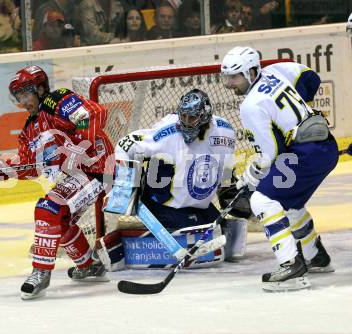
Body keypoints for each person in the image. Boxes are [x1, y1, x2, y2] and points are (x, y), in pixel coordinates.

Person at [0, 65, 115, 300]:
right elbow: (29, 167)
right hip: (80, 175)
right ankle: (89, 265)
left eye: (26, 94)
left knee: (47, 208)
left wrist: (80, 148)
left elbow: (94, 114)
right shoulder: (29, 129)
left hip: (100, 168)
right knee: (59, 218)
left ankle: (41, 272)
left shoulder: (58, 101)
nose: (23, 101)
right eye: (18, 97)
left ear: (40, 88)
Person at [221, 46, 338, 292]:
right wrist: (299, 116)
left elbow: (270, 155)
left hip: (305, 154)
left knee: (263, 201)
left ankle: (291, 266)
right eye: (227, 77)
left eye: (235, 76)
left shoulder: (251, 105)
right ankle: (315, 255)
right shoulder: (275, 72)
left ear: (252, 72)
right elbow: (310, 77)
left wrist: (248, 180)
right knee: (289, 202)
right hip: (325, 146)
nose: (230, 83)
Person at [112, 89, 249, 261]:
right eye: (182, 116)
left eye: (191, 118)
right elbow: (124, 145)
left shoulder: (224, 132)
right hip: (164, 204)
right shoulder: (166, 133)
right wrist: (124, 186)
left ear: (205, 117)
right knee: (206, 237)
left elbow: (225, 165)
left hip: (197, 204)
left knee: (230, 240)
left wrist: (227, 188)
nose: (185, 122)